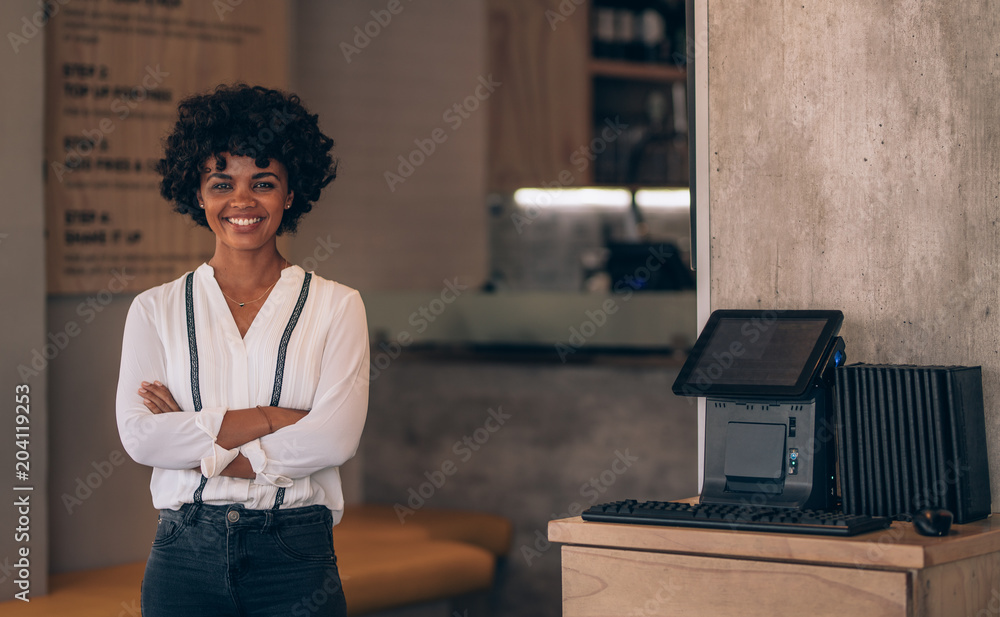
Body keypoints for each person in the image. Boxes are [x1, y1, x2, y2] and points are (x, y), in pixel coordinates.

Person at [115, 83, 368, 617]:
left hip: (295, 554)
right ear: (199, 193)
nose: (242, 201)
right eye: (222, 182)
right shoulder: (154, 309)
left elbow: (334, 439)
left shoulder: (338, 306)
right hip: (183, 555)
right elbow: (141, 438)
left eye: (264, 183)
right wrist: (276, 417)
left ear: (291, 193)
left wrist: (196, 438)